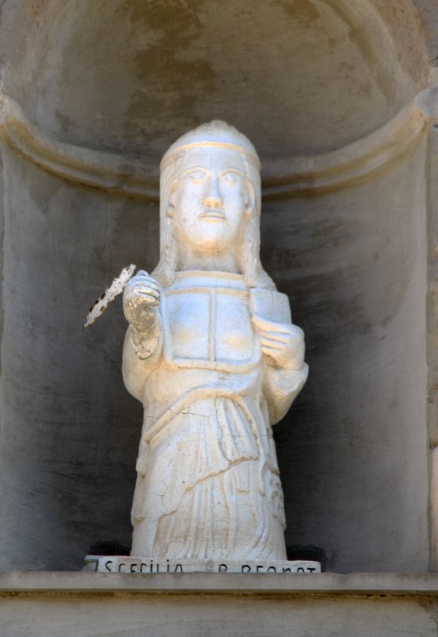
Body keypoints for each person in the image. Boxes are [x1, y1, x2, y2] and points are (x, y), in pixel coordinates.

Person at [123, 121, 308, 561]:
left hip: (247, 471)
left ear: (249, 204)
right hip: (172, 466)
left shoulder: (265, 299)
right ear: (171, 203)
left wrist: (289, 364)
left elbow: (273, 403)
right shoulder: (157, 293)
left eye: (229, 181)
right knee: (158, 565)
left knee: (254, 565)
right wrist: (144, 324)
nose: (212, 197)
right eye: (195, 179)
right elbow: (138, 380)